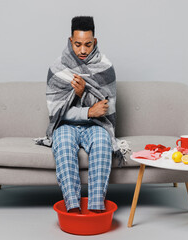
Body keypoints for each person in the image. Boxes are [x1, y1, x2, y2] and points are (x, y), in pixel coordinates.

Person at [36, 16, 127, 213]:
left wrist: (83, 93)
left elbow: (105, 110)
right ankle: (73, 207)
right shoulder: (57, 68)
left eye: (88, 44)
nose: (83, 50)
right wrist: (87, 109)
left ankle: (96, 208)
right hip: (65, 125)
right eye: (78, 44)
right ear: (71, 41)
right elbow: (56, 112)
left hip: (97, 126)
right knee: (64, 144)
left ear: (95, 41)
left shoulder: (105, 67)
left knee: (103, 143)